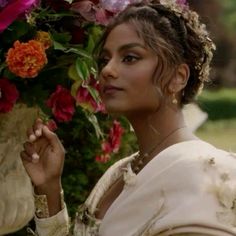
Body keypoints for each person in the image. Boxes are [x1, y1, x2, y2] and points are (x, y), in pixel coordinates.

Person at [21, 0, 236, 235]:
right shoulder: (118, 173)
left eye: (130, 57)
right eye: (105, 60)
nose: (107, 70)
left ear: (179, 77)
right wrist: (49, 189)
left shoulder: (205, 173)